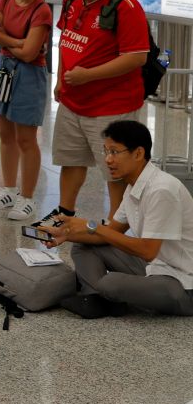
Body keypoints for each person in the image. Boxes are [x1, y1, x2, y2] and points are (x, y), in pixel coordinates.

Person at [41, 121, 193, 318]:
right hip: (157, 267)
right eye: (106, 152)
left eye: (114, 152)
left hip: (183, 283)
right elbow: (109, 233)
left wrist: (91, 226)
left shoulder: (162, 190)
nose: (108, 160)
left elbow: (147, 251)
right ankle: (97, 299)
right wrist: (67, 234)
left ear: (138, 153)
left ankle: (105, 295)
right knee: (83, 246)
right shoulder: (133, 187)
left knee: (110, 282)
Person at [44, 0, 149, 225]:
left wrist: (88, 76)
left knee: (115, 169)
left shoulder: (126, 7)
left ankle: (116, 224)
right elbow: (67, 40)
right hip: (73, 101)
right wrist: (60, 79)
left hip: (112, 106)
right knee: (71, 160)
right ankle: (64, 214)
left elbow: (136, 57)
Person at [0, 0, 51, 221]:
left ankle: (27, 197)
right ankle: (8, 190)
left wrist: (8, 42)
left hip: (29, 76)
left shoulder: (41, 11)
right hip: (3, 68)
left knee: (26, 139)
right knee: (5, 135)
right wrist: (17, 42)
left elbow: (30, 53)